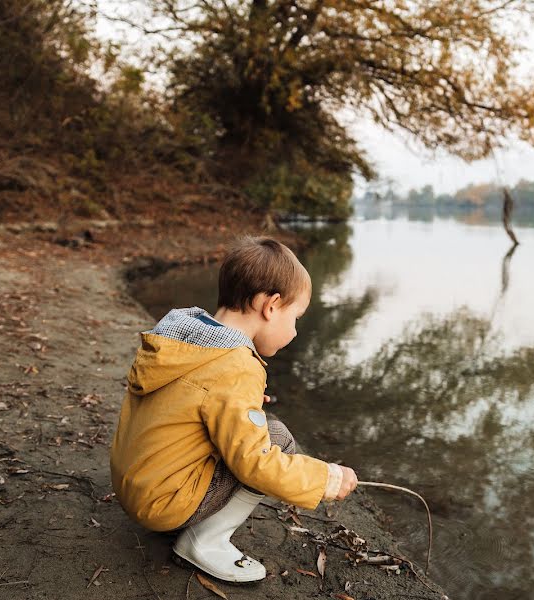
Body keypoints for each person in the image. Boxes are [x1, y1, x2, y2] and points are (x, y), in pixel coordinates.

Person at [110, 236, 358, 583]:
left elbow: (193, 399)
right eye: (295, 317)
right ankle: (202, 543)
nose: (295, 330)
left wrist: (246, 401)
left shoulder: (184, 336)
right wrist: (325, 479)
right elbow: (255, 463)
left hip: (135, 484)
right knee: (277, 440)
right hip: (163, 504)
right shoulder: (236, 366)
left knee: (253, 432)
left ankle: (188, 523)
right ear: (270, 306)